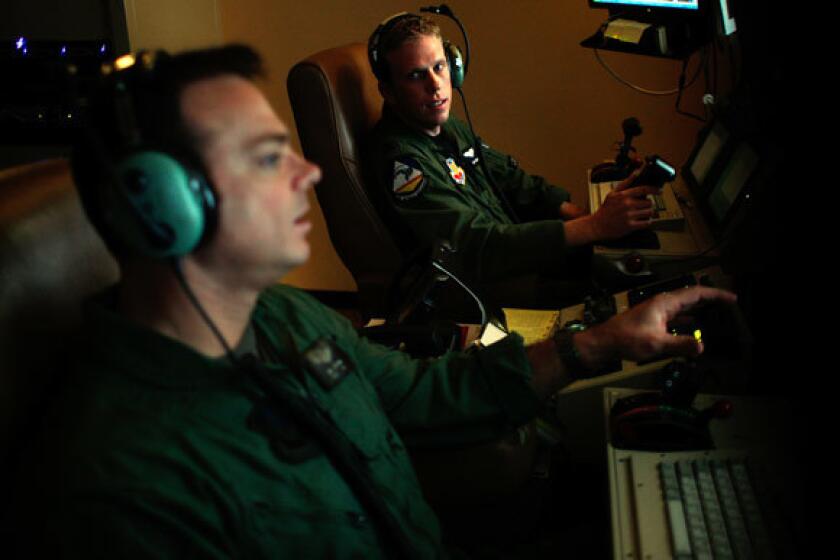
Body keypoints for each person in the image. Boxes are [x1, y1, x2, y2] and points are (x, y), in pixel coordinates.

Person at [15, 44, 735, 558]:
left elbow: (423, 392)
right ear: (167, 208)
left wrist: (600, 343)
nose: (309, 173)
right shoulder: (121, 491)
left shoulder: (285, 314)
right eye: (269, 157)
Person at [365, 13, 661, 308]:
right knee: (631, 291)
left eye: (439, 67)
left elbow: (511, 179)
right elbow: (478, 246)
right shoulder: (403, 163)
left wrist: (587, 215)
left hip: (518, 259)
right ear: (389, 92)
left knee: (647, 259)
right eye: (416, 75)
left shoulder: (444, 125)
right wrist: (595, 226)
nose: (435, 86)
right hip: (488, 288)